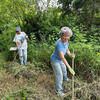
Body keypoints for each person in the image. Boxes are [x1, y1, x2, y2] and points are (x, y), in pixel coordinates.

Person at [50, 26, 75, 96]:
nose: (67, 38)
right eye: (65, 36)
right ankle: (59, 90)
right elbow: (62, 58)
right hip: (55, 60)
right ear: (61, 35)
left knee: (64, 70)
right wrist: (69, 67)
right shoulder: (59, 44)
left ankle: (66, 79)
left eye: (68, 36)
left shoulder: (66, 41)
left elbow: (67, 49)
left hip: (60, 59)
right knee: (59, 75)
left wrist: (70, 54)